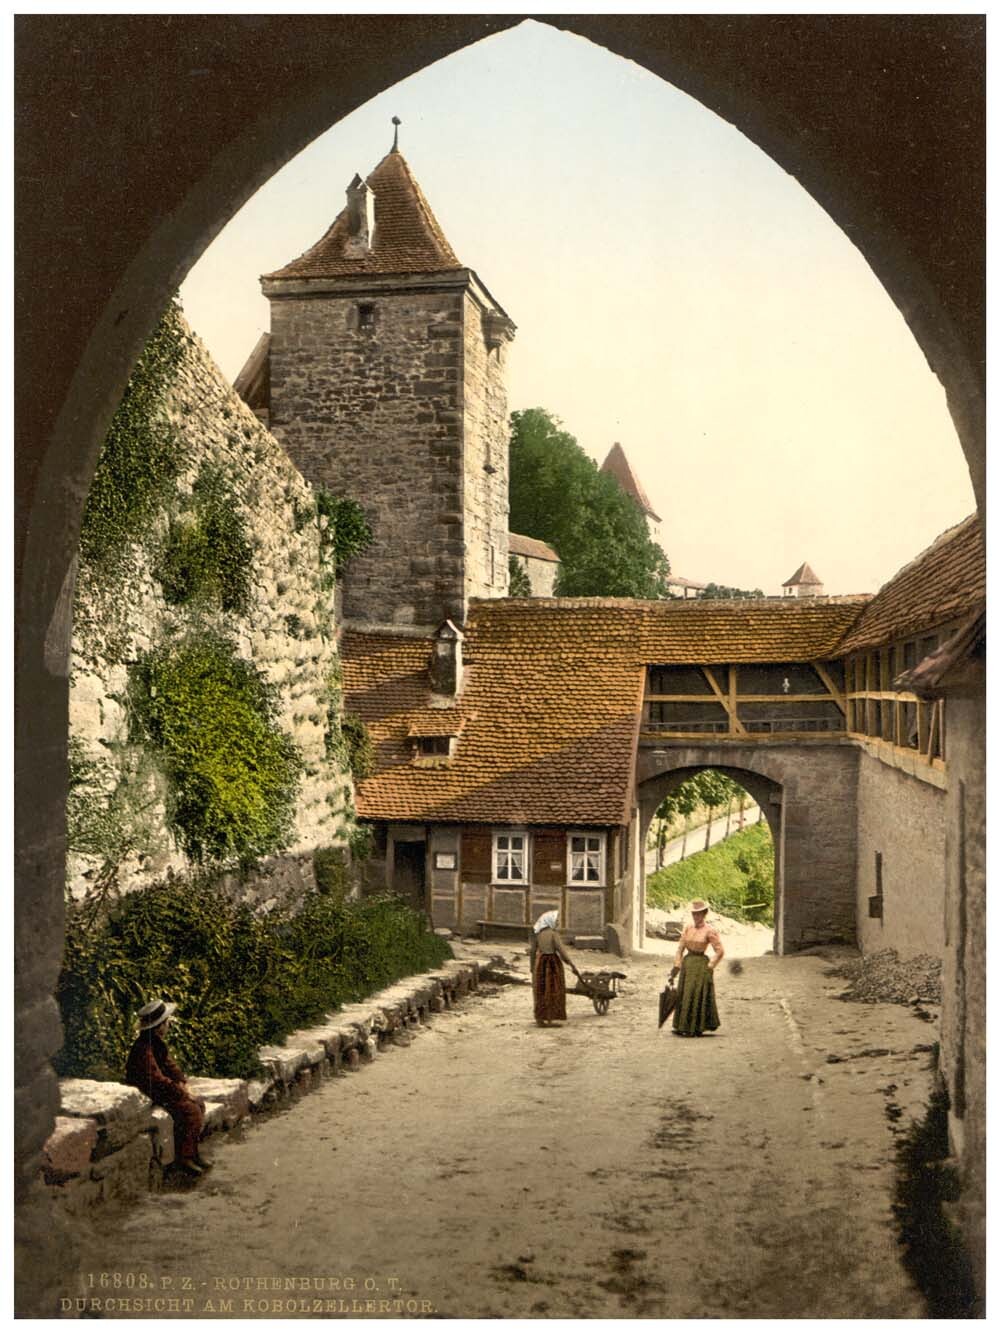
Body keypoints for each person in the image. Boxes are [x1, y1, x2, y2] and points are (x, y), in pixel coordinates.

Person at [125, 999, 210, 1176]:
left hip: (161, 1088)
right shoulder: (143, 1048)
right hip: (149, 1091)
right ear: (158, 1026)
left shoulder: (155, 1043)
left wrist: (183, 1082)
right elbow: (156, 1079)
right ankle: (184, 1158)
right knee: (190, 1111)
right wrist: (181, 1093)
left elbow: (170, 1066)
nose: (168, 1024)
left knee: (198, 1105)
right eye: (166, 1022)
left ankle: (193, 1152)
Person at [669, 899, 724, 1037]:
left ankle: (695, 1027)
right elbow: (680, 948)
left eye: (699, 914)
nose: (696, 916)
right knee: (685, 993)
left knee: (696, 993)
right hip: (688, 964)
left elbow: (720, 951)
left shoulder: (710, 930)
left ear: (704, 914)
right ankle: (682, 1025)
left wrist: (710, 966)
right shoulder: (688, 928)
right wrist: (677, 965)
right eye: (694, 914)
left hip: (700, 965)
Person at [529, 909, 581, 1026]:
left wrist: (532, 967)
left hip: (540, 963)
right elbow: (561, 951)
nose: (557, 922)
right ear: (549, 921)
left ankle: (540, 1018)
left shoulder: (537, 934)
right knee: (553, 990)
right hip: (552, 964)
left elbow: (532, 951)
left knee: (540, 990)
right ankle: (550, 1019)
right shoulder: (553, 934)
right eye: (556, 920)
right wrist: (571, 965)